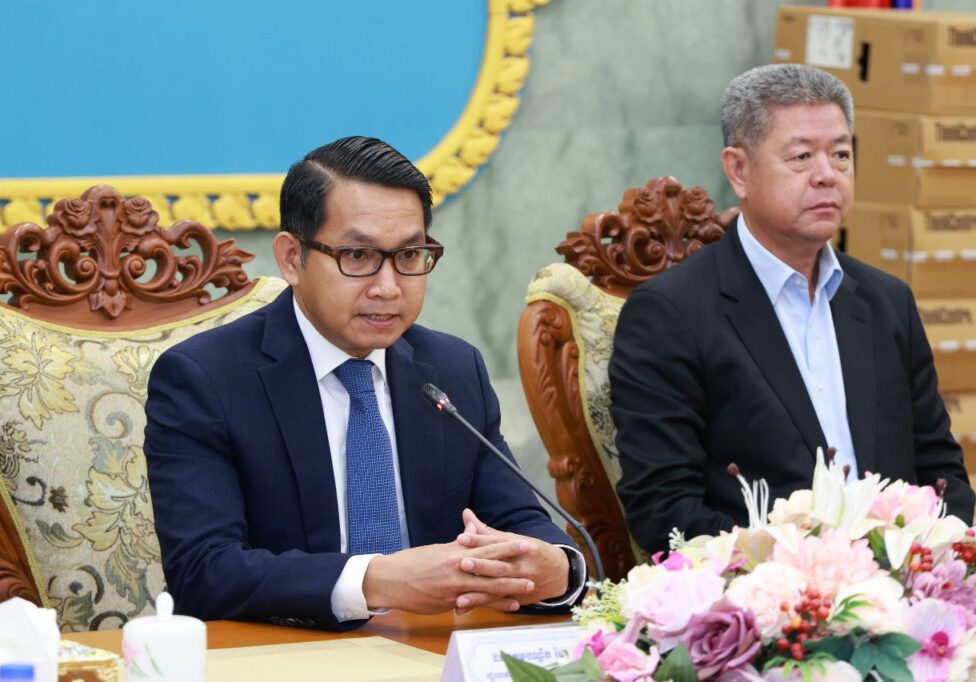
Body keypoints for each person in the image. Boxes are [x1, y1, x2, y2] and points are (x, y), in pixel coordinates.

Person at [144, 136, 585, 631]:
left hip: (431, 651)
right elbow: (204, 571)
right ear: (291, 258)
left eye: (410, 255)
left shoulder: (454, 369)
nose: (388, 287)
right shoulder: (206, 379)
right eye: (357, 255)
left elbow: (519, 522)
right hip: (285, 653)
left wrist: (559, 568)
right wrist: (376, 580)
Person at [609, 64, 975, 554]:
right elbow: (665, 513)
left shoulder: (887, 301)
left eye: (841, 154)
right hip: (766, 591)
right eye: (801, 157)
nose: (827, 175)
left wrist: (934, 561)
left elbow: (942, 475)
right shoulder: (670, 314)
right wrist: (808, 571)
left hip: (902, 579)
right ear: (739, 171)